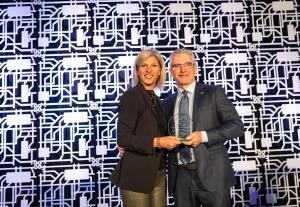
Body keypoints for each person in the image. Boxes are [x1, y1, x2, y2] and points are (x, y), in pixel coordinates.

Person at [163, 49, 244, 207]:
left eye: (187, 64)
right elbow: (159, 135)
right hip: (180, 176)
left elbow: (236, 126)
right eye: (177, 66)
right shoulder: (166, 103)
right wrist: (130, 142)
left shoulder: (213, 93)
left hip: (213, 174)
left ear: (195, 68)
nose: (183, 69)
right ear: (171, 71)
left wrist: (204, 136)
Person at [109, 49, 181, 207]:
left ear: (160, 70)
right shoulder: (131, 97)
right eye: (144, 65)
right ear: (137, 70)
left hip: (159, 174)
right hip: (136, 175)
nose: (149, 70)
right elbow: (123, 138)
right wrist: (156, 142)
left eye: (154, 65)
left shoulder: (156, 99)